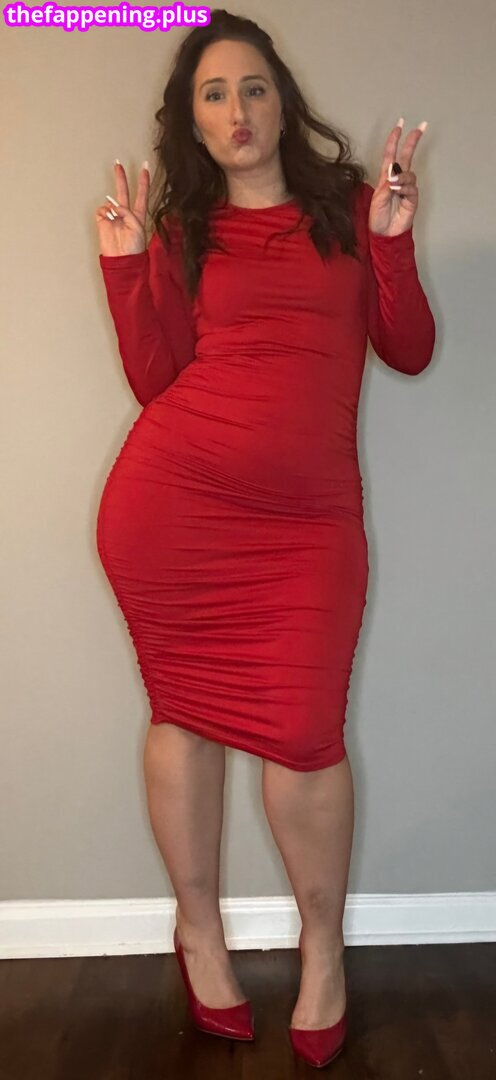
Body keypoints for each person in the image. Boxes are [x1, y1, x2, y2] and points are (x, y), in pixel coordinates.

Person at [94, 8, 435, 1068]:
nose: (236, 110)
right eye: (213, 94)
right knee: (183, 720)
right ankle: (200, 936)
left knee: (304, 737)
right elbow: (156, 379)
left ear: (282, 102)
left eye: (252, 88)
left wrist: (392, 240)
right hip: (174, 511)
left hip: (309, 527)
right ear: (191, 123)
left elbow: (409, 348)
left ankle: (322, 948)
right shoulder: (183, 234)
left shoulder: (350, 213)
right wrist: (125, 268)